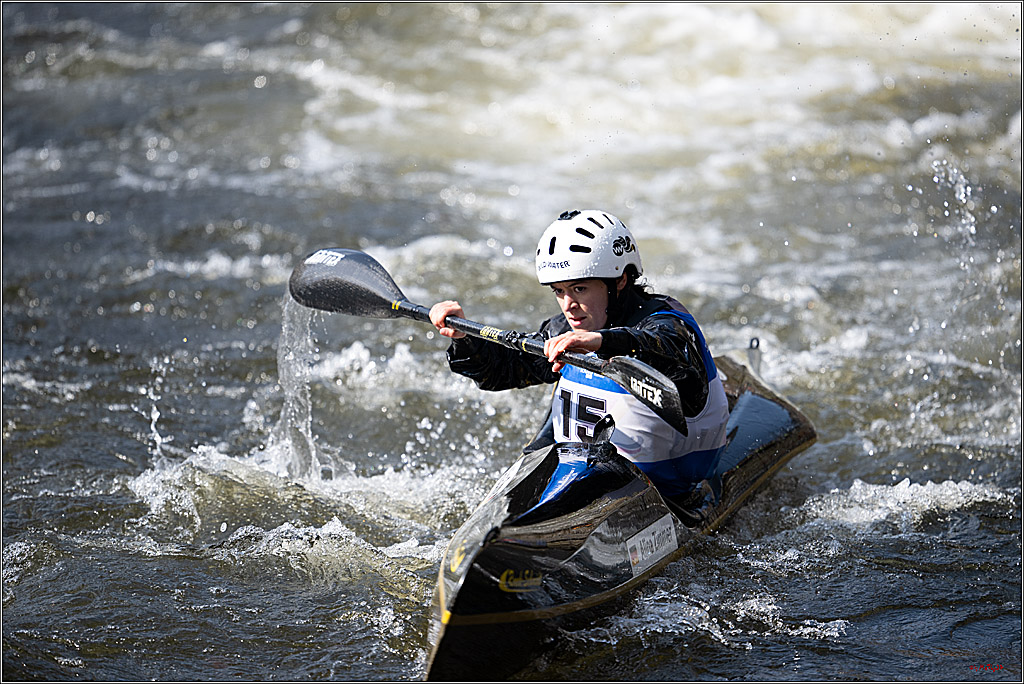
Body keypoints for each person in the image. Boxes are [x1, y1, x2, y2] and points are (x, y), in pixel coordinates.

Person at [429, 209, 730, 515]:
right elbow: (501, 371)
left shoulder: (667, 323)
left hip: (667, 488)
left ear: (620, 280)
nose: (569, 305)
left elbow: (668, 351)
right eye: (559, 291)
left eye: (580, 288)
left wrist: (602, 341)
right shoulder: (567, 327)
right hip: (583, 474)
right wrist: (462, 338)